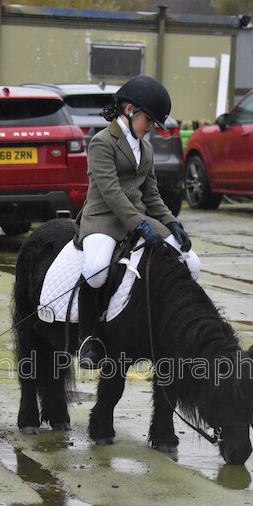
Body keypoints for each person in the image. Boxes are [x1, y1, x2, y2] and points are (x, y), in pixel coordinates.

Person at [76, 75, 200, 369]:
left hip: (140, 218)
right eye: (149, 120)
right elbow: (112, 194)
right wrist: (141, 226)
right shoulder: (101, 142)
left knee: (191, 263)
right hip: (103, 219)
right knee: (95, 271)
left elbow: (151, 194)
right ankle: (89, 339)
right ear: (130, 110)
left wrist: (172, 225)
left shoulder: (146, 148)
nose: (151, 128)